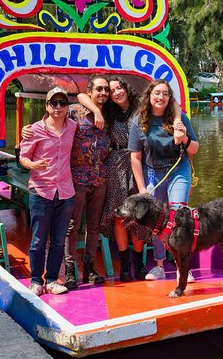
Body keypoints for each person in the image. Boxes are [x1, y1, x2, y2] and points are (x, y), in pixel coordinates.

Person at [77, 77, 149, 281]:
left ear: (127, 88)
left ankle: (139, 263)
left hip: (138, 162)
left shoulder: (140, 109)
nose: (116, 92)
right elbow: (81, 95)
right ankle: (125, 265)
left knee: (139, 215)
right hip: (116, 165)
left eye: (119, 88)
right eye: (111, 89)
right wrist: (98, 111)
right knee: (119, 215)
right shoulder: (109, 110)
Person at [128, 79, 199, 281]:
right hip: (153, 173)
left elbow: (194, 149)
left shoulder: (180, 118)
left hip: (178, 170)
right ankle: (159, 265)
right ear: (149, 96)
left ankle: (182, 267)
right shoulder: (138, 121)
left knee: (177, 214)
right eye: (157, 93)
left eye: (165, 94)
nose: (161, 97)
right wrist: (142, 189)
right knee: (158, 219)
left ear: (170, 98)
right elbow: (135, 157)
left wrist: (184, 137)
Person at [18, 87, 76, 296]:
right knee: (38, 240)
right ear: (47, 106)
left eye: (62, 103)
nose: (58, 107)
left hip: (66, 192)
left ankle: (51, 280)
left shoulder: (73, 126)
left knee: (59, 240)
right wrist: (33, 165)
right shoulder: (34, 129)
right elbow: (23, 157)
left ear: (67, 107)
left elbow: (88, 100)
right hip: (41, 190)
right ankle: (36, 281)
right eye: (54, 103)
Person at [62, 75, 112, 289]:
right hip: (76, 178)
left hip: (99, 178)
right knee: (72, 226)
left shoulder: (111, 115)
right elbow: (50, 124)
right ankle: (70, 269)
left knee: (94, 227)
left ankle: (89, 267)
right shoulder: (74, 111)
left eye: (106, 90)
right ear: (90, 91)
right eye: (99, 89)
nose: (103, 93)